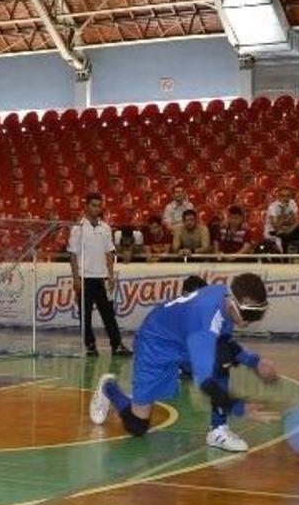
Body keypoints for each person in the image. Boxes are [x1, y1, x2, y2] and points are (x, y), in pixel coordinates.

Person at [89, 273, 278, 452]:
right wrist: (238, 407)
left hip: (183, 338)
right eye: (248, 314)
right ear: (231, 301)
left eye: (257, 315)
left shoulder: (225, 300)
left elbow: (224, 343)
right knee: (137, 425)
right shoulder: (205, 321)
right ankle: (109, 388)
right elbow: (205, 383)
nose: (249, 322)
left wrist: (255, 362)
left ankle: (218, 430)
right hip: (156, 342)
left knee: (221, 357)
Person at [68, 193, 133, 357]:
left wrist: (110, 276)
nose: (96, 208)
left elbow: (109, 253)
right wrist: (75, 278)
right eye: (93, 205)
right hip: (85, 278)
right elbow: (73, 255)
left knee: (108, 314)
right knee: (85, 315)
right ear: (86, 206)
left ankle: (116, 345)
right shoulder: (78, 228)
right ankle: (90, 345)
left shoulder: (105, 228)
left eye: (98, 205)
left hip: (101, 278)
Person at [264, 186, 299, 254]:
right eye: (283, 196)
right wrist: (282, 212)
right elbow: (276, 226)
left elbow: (297, 221)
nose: (285, 198)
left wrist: (289, 231)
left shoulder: (292, 203)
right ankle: (285, 260)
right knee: (283, 235)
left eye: (288, 196)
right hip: (273, 232)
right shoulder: (273, 207)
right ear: (279, 196)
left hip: (287, 230)